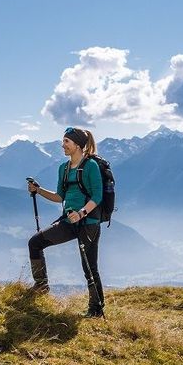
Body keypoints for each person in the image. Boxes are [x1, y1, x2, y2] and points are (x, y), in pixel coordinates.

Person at [27, 126, 106, 317]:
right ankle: (41, 286)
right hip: (69, 221)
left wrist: (81, 213)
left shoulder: (90, 166)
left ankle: (95, 310)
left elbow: (97, 196)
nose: (62, 145)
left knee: (89, 267)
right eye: (63, 141)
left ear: (78, 145)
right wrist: (38, 190)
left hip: (88, 223)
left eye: (66, 142)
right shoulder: (63, 168)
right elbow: (59, 197)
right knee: (35, 242)